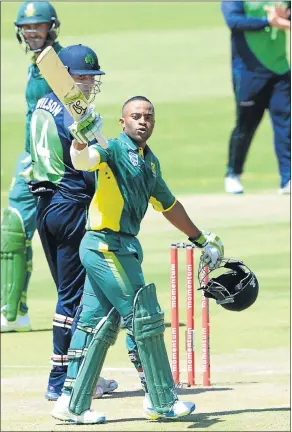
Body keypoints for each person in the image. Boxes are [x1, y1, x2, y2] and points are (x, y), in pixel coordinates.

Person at [51, 95, 225, 424]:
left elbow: (168, 205)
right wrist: (78, 139)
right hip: (105, 246)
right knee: (143, 316)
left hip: (122, 247)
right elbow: (84, 160)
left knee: (94, 323)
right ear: (123, 122)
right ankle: (160, 398)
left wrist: (200, 239)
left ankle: (70, 401)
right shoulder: (113, 148)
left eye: (148, 116)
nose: (143, 121)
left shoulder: (150, 162)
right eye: (135, 116)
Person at [29, 44, 118, 401]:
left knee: (75, 296)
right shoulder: (73, 115)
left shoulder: (42, 104)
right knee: (77, 297)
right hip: (71, 207)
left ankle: (81, 374)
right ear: (63, 75)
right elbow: (88, 169)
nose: (87, 83)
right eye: (81, 77)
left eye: (92, 78)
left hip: (45, 206)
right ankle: (61, 380)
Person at [1, 1, 62, 333]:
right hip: (31, 158)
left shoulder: (54, 63)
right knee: (14, 230)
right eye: (27, 28)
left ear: (51, 28)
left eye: (38, 27)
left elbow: (77, 110)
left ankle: (12, 313)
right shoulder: (37, 62)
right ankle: (13, 311)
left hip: (47, 162)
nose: (32, 32)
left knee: (61, 236)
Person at [221, 1, 291, 194]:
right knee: (246, 126)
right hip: (248, 73)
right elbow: (234, 21)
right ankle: (233, 174)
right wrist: (268, 21)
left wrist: (285, 17)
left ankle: (288, 178)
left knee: (286, 125)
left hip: (280, 70)